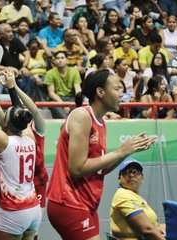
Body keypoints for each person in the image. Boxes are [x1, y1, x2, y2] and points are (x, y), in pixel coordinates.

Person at [47, 69, 157, 240]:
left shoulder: (102, 123)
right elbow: (76, 168)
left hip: (87, 205)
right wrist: (120, 151)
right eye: (116, 89)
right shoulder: (82, 116)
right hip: (69, 202)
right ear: (100, 92)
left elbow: (101, 169)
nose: (122, 94)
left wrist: (126, 152)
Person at [0, 70, 42, 240]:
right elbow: (21, 114)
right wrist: (12, 88)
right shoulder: (30, 138)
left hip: (13, 212)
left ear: (5, 123)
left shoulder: (4, 142)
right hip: (34, 210)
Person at [110, 158, 166, 240]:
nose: (131, 175)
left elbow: (151, 225)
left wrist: (162, 227)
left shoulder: (135, 196)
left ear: (142, 178)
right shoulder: (123, 195)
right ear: (119, 178)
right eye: (126, 172)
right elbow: (147, 229)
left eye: (135, 172)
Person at [44, 51, 82, 118]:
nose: (60, 60)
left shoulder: (74, 71)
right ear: (55, 61)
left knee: (76, 117)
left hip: (72, 99)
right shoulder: (50, 73)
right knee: (64, 118)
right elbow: (51, 93)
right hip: (57, 100)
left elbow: (78, 89)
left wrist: (78, 101)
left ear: (66, 60)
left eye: (62, 58)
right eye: (57, 58)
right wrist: (63, 105)